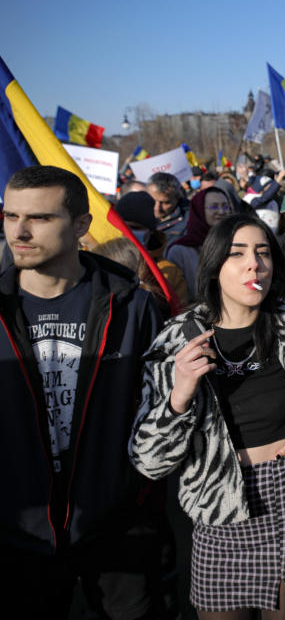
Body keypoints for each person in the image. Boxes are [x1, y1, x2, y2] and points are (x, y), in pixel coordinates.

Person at [130, 213, 285, 619]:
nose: (255, 264)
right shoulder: (176, 340)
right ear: (214, 267)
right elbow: (148, 461)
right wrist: (180, 394)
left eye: (263, 253)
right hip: (217, 502)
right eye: (238, 254)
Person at [0, 165, 163, 618]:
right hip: (16, 534)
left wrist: (139, 498)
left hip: (117, 532)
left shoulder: (131, 306)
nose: (20, 231)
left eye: (39, 218)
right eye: (10, 216)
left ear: (80, 227)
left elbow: (159, 413)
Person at [114, 189, 189, 307]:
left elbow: (178, 313)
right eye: (122, 227)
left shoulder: (169, 272)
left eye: (134, 228)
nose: (126, 233)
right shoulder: (99, 260)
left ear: (150, 233)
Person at [166, 186, 233, 301]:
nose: (221, 212)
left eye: (225, 206)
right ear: (199, 210)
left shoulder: (237, 242)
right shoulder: (180, 250)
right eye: (214, 206)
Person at [148, 171, 190, 243]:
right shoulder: (137, 216)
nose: (157, 208)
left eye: (166, 203)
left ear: (178, 198)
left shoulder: (190, 223)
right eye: (152, 201)